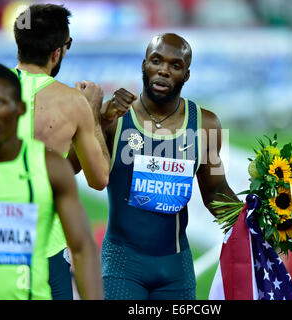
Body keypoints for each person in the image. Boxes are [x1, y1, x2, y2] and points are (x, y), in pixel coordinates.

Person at [0, 4, 109, 299]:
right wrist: (94, 113)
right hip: (44, 247)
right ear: (57, 52)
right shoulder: (73, 103)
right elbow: (98, 178)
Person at [94, 33, 239, 299]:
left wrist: (253, 223)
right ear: (143, 65)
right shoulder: (115, 117)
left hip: (175, 269)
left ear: (186, 75)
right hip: (122, 265)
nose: (163, 70)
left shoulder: (206, 124)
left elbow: (216, 189)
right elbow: (71, 168)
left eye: (175, 65)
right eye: (156, 61)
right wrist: (99, 121)